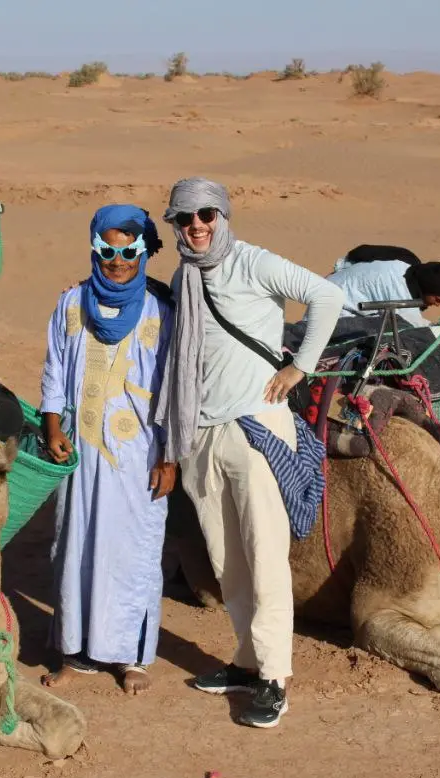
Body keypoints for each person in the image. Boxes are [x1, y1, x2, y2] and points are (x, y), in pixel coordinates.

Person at [153, 177, 343, 728]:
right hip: (203, 433)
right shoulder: (185, 275)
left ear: (223, 215)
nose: (197, 226)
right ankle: (245, 661)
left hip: (255, 427)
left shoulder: (253, 262)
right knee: (226, 560)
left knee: (264, 558)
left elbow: (327, 296)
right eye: (185, 218)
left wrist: (298, 367)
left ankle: (274, 678)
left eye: (206, 215)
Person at [39, 204, 176, 696]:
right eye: (107, 250)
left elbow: (175, 390)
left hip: (140, 455)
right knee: (74, 548)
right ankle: (75, 652)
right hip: (79, 454)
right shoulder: (71, 304)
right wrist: (52, 424)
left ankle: (130, 656)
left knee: (134, 551)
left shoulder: (163, 309)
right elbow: (55, 369)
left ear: (144, 253)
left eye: (128, 251)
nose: (117, 261)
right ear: (94, 248)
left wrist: (170, 456)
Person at [328, 244, 440, 326]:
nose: (437, 304)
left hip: (334, 280)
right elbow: (415, 327)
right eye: (438, 299)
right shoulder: (401, 297)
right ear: (428, 288)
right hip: (330, 309)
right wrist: (439, 327)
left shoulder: (407, 261)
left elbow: (361, 252)